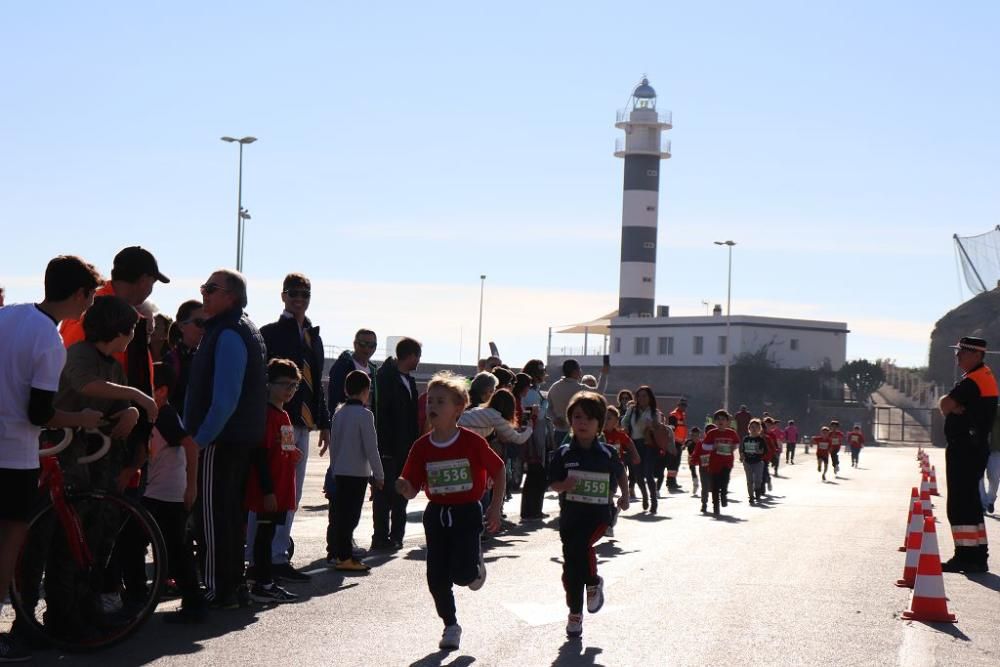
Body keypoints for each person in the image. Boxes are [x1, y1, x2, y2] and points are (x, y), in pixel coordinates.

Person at [0, 256, 103, 662]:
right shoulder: (50, 340)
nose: (90, 306)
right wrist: (81, 418)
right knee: (9, 544)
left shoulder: (9, 315)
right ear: (79, 293)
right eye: (90, 297)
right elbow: (39, 413)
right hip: (14, 453)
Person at [395, 372, 505, 651]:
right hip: (436, 513)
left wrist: (494, 507)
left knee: (463, 576)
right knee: (436, 577)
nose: (432, 406)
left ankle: (474, 567)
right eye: (430, 400)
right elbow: (413, 485)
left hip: (467, 512)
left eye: (440, 401)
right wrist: (403, 486)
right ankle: (451, 625)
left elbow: (499, 469)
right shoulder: (421, 447)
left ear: (458, 408)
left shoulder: (471, 442)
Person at [185, 269, 267, 609]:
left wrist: (200, 439)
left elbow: (226, 398)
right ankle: (230, 587)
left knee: (213, 517)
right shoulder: (237, 329)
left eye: (211, 288)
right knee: (229, 515)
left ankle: (218, 588)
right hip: (235, 439)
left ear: (230, 296)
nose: (203, 293)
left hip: (221, 441)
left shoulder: (229, 333)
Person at [253, 273, 331, 582]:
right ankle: (259, 557)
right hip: (274, 421)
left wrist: (325, 422)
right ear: (283, 296)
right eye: (294, 293)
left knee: (291, 494)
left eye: (305, 294)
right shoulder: (271, 333)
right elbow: (260, 378)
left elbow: (317, 384)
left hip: (302, 424)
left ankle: (278, 554)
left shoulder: (313, 335)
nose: (300, 298)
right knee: (267, 492)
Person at [548, 391, 629, 638]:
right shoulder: (563, 454)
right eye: (578, 417)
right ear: (570, 420)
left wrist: (625, 496)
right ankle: (575, 614)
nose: (583, 423)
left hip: (598, 516)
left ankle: (593, 582)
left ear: (599, 425)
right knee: (571, 568)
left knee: (582, 547)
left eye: (589, 419)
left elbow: (620, 473)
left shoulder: (607, 452)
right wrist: (565, 486)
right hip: (571, 517)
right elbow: (553, 482)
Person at [143, 362, 205, 623]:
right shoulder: (158, 413)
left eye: (147, 386)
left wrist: (192, 487)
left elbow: (191, 446)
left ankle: (193, 602)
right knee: (170, 546)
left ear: (162, 391)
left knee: (176, 547)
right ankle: (185, 596)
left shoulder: (164, 414)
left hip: (167, 493)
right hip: (160, 490)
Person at [245, 358, 303, 603]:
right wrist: (268, 491)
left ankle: (260, 577)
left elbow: (287, 449)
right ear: (269, 384)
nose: (289, 390)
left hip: (281, 487)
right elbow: (260, 453)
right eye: (284, 384)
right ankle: (263, 583)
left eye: (294, 385)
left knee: (269, 533)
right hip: (269, 489)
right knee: (264, 534)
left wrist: (293, 453)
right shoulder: (267, 415)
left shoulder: (285, 416)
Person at [938, 336, 997, 573]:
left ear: (975, 355)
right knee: (971, 503)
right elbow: (948, 404)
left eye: (962, 352)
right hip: (973, 447)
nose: (957, 356)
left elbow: (944, 405)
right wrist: (951, 405)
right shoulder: (982, 377)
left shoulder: (973, 381)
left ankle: (965, 556)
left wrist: (952, 405)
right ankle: (977, 555)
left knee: (960, 505)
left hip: (966, 449)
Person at [324, 370, 385, 571]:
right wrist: (379, 474)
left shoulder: (339, 413)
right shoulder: (365, 415)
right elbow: (371, 448)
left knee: (340, 513)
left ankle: (338, 552)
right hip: (357, 472)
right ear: (366, 391)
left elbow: (334, 445)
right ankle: (345, 556)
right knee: (352, 516)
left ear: (345, 389)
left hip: (340, 470)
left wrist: (334, 469)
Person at [372, 337, 421, 551]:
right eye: (418, 356)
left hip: (406, 448)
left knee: (402, 492)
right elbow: (380, 414)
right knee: (384, 494)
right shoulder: (384, 378)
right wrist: (384, 445)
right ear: (410, 356)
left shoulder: (409, 381)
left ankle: (397, 536)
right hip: (388, 447)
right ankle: (380, 536)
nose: (419, 361)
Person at [621, 386, 663, 513]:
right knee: (638, 475)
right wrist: (626, 426)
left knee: (648, 473)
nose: (641, 398)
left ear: (650, 397)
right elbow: (623, 422)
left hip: (649, 445)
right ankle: (644, 496)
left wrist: (653, 426)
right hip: (635, 444)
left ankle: (654, 500)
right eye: (639, 396)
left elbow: (659, 428)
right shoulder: (632, 410)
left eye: (644, 396)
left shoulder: (654, 412)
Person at [162, 300, 205, 418]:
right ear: (181, 326)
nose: (205, 328)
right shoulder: (171, 360)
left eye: (208, 323)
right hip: (180, 428)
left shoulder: (210, 357)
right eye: (200, 322)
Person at [519, 360, 549, 521]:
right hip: (533, 437)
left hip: (537, 435)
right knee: (536, 475)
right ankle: (531, 510)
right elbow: (538, 414)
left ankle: (534, 509)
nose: (544, 374)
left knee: (536, 475)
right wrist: (544, 405)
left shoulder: (534, 391)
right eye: (542, 371)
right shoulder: (531, 393)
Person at [328, 328, 379, 409]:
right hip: (346, 419)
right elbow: (334, 398)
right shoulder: (343, 366)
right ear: (355, 344)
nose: (367, 348)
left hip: (367, 420)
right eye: (363, 344)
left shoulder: (373, 371)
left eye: (371, 345)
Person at [703, 410, 739, 517]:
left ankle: (724, 495)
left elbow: (737, 443)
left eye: (723, 419)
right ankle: (715, 507)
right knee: (715, 486)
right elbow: (704, 446)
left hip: (727, 462)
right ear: (715, 421)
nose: (720, 421)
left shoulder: (731, 433)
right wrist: (713, 447)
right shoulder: (712, 433)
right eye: (718, 419)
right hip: (714, 463)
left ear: (728, 422)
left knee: (724, 482)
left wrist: (734, 447)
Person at [546, 359, 588, 446]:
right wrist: (604, 374)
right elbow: (600, 391)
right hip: (576, 432)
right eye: (579, 369)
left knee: (560, 458)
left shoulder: (555, 387)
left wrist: (554, 419)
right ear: (575, 371)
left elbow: (548, 406)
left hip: (558, 431)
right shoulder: (580, 388)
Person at [740, 419, 767, 505]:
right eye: (752, 427)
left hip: (758, 462)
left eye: (756, 427)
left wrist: (759, 451)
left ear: (759, 429)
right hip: (747, 462)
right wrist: (742, 456)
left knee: (758, 480)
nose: (753, 429)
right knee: (749, 481)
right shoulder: (746, 439)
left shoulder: (760, 440)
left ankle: (757, 493)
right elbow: (742, 449)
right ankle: (751, 497)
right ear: (749, 428)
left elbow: (764, 451)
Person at [692, 425, 717, 513]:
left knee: (714, 487)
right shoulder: (701, 443)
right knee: (705, 487)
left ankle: (715, 504)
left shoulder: (718, 444)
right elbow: (696, 454)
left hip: (715, 469)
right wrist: (694, 461)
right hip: (704, 468)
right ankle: (704, 504)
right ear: (705, 433)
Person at [666, 398, 689, 492]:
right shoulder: (674, 415)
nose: (684, 407)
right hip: (674, 443)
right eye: (682, 405)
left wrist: (683, 442)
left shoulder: (682, 415)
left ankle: (672, 481)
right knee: (672, 463)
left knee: (676, 463)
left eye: (685, 405)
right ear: (678, 405)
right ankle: (670, 482)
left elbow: (682, 430)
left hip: (679, 443)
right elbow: (671, 430)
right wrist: (671, 443)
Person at [981, 412, 1000, 516]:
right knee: (979, 477)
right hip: (979, 448)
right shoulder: (977, 408)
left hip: (996, 449)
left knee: (994, 477)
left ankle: (990, 500)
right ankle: (983, 504)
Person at [685, 426, 702, 496]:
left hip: (700, 457)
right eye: (692, 435)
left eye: (696, 435)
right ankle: (695, 484)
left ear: (699, 435)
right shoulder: (689, 441)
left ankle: (705, 483)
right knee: (692, 470)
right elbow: (683, 447)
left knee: (702, 470)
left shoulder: (701, 442)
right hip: (691, 457)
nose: (694, 437)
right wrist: (684, 446)